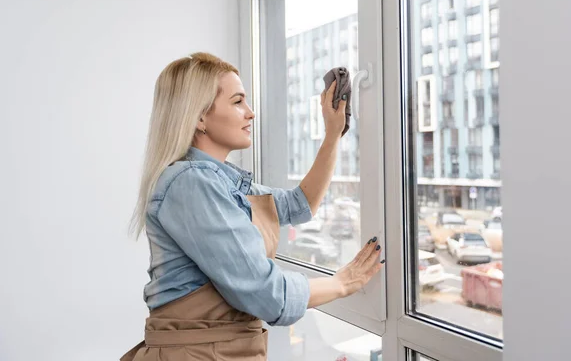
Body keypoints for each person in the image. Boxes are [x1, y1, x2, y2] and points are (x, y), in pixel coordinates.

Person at [121, 52, 385, 361]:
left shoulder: (221, 182)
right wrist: (342, 282)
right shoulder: (192, 184)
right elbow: (268, 294)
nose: (251, 113)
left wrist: (333, 134)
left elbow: (300, 204)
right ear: (200, 117)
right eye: (237, 102)